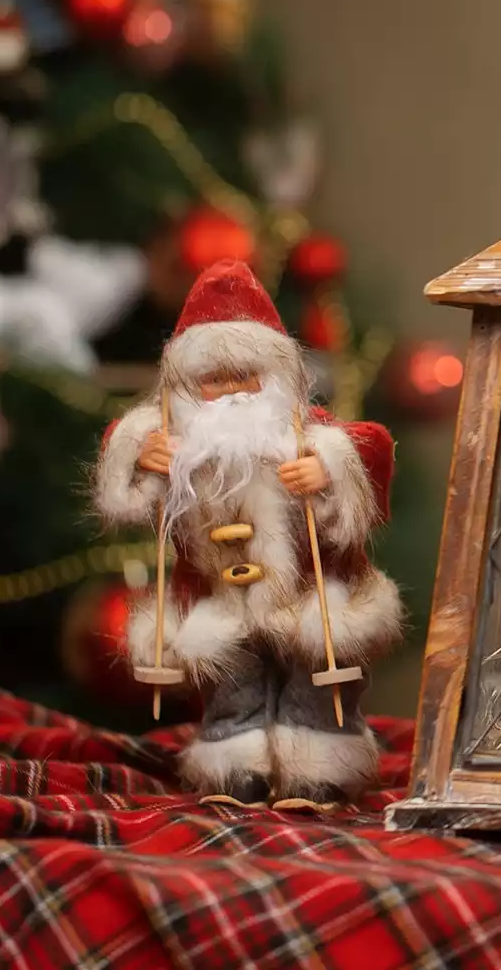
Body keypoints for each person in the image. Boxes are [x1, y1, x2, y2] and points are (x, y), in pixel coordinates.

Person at [93, 259, 401, 807]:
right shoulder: (177, 444)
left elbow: (371, 448)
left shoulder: (307, 435)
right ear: (188, 388)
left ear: (275, 379)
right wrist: (139, 454)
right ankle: (238, 768)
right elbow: (125, 474)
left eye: (246, 378)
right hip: (222, 598)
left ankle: (318, 769)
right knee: (234, 680)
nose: (233, 393)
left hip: (309, 594)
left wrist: (330, 469)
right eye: (215, 381)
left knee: (316, 681)